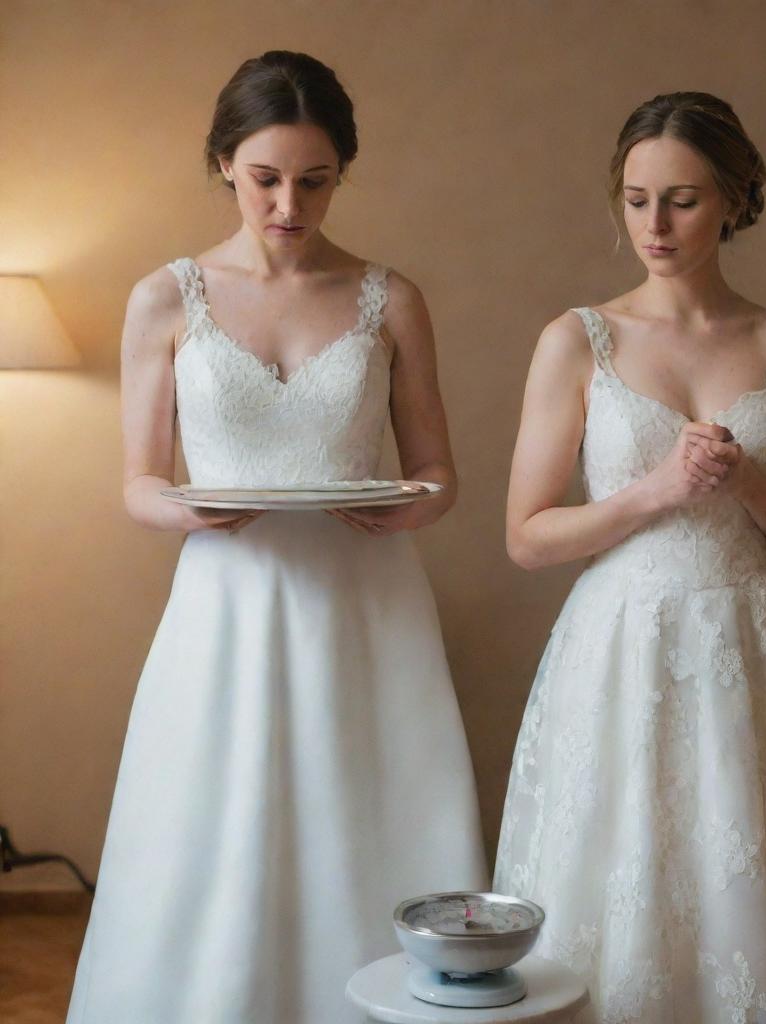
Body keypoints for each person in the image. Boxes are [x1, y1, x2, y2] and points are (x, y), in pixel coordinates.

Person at [67, 50, 486, 1023]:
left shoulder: (393, 298)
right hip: (228, 598)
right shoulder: (164, 299)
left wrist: (407, 503)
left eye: (315, 180)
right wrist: (191, 507)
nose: (289, 205)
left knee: (363, 814)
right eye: (265, 179)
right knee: (217, 825)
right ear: (223, 163)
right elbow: (138, 481)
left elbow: (440, 474)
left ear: (343, 171)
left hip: (366, 598)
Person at [493, 92, 766, 1023]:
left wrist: (747, 484)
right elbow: (525, 536)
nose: (655, 225)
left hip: (746, 650)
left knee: (738, 887)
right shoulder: (577, 340)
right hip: (618, 647)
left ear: (735, 199)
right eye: (636, 199)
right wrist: (654, 493)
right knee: (624, 886)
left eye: (681, 199)